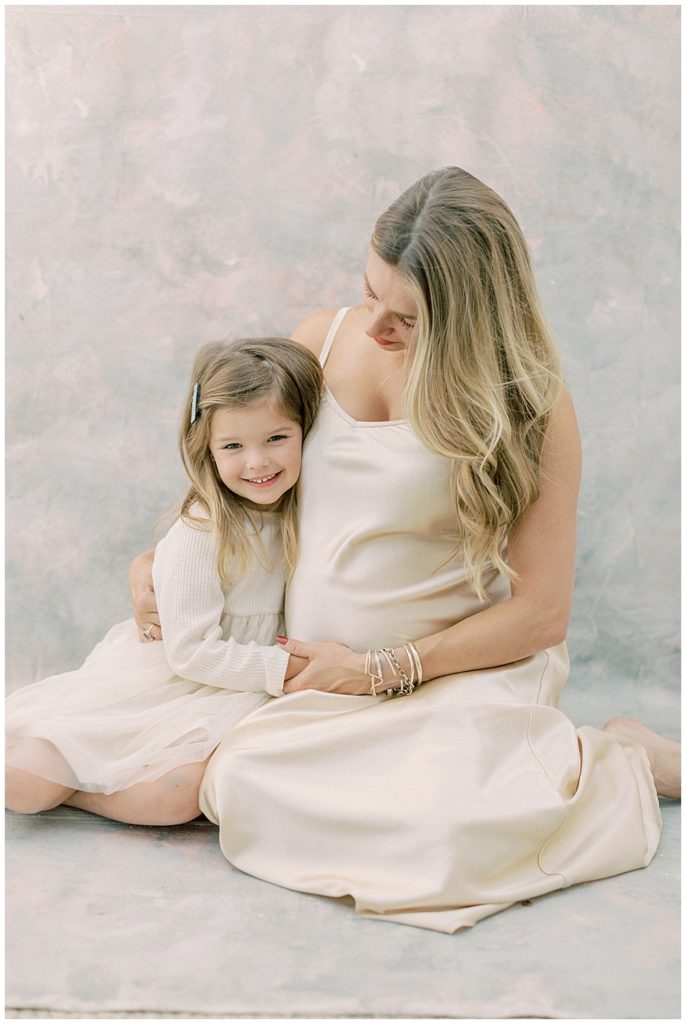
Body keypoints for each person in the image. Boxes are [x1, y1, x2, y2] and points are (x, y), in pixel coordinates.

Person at [130, 166, 679, 933]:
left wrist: (386, 668)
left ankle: (624, 760)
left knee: (443, 837)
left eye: (409, 319)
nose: (376, 328)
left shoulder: (535, 406)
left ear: (474, 317)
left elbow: (543, 613)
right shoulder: (318, 342)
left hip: (454, 670)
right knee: (242, 780)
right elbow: (241, 484)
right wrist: (157, 559)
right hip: (317, 672)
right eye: (369, 292)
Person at [5, 338, 323, 825]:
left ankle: (81, 774)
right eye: (233, 446)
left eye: (276, 438)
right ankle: (69, 782)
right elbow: (191, 651)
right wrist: (284, 670)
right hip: (188, 675)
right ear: (208, 449)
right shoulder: (203, 530)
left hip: (239, 682)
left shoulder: (303, 507)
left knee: (179, 786)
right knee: (47, 781)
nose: (257, 462)